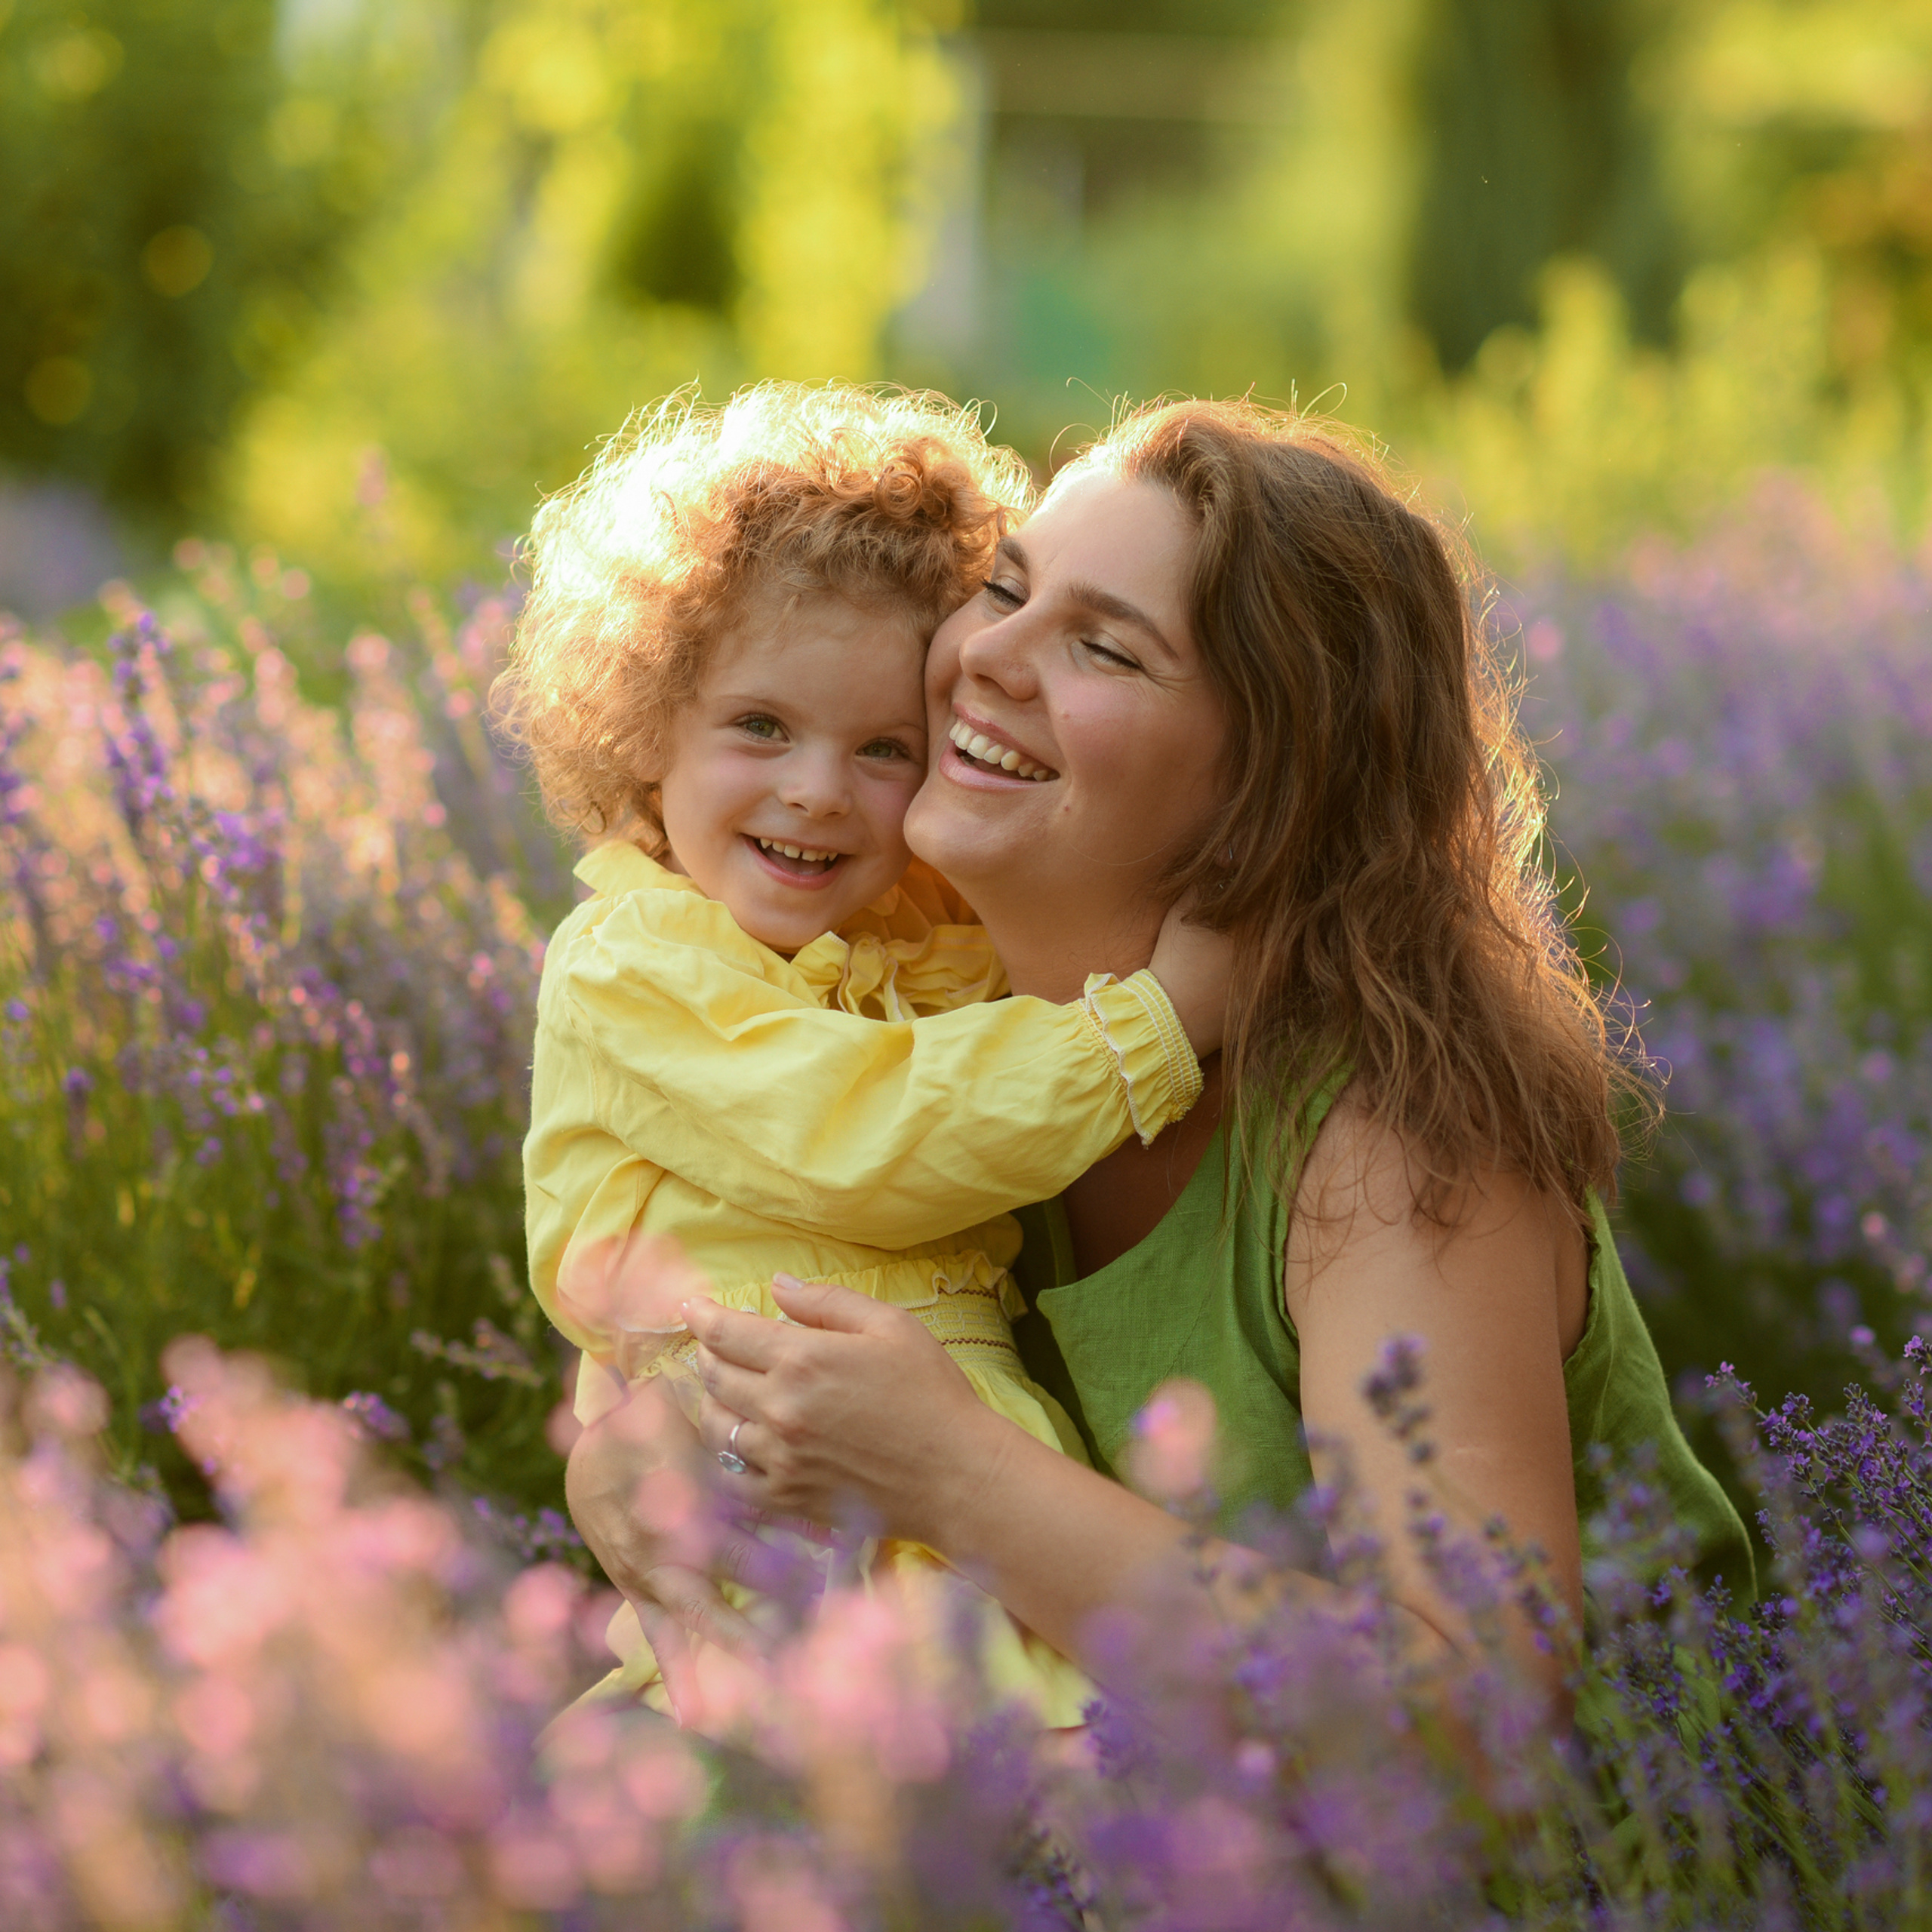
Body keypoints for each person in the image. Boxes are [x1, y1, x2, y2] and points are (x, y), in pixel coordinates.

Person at [565, 396, 1753, 1725]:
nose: (985, 656)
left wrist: (953, 1474)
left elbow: (1470, 1720)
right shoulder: (927, 1028)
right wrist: (638, 1435)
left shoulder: (1386, 1139)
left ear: (1270, 785)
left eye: (1105, 650)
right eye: (1006, 588)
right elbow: (706, 1244)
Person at [494, 383, 1226, 1733]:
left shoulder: (920, 934)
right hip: (776, 1489)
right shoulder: (631, 967)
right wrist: (1152, 1028)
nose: (818, 790)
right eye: (760, 727)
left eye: (885, 748)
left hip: (958, 1474)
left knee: (1039, 1759)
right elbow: (851, 1137)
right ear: (646, 733)